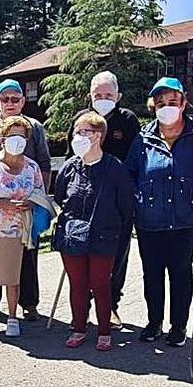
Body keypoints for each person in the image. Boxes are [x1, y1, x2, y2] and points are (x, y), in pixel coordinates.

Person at [125, 77, 193, 346]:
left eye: (173, 102)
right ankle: (154, 322)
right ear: (153, 106)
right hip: (149, 221)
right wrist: (137, 201)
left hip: (184, 221)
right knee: (152, 274)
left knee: (180, 273)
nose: (167, 107)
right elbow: (129, 174)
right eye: (161, 103)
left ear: (183, 103)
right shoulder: (143, 138)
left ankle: (178, 327)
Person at [65, 71, 141, 329]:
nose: (103, 98)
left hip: (116, 200)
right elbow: (69, 158)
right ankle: (82, 308)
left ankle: (111, 306)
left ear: (118, 96)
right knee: (81, 252)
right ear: (90, 95)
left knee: (115, 255)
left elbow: (135, 160)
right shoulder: (80, 120)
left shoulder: (128, 120)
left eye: (108, 95)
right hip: (84, 199)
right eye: (98, 95)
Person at [52, 112, 133, 351]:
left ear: (98, 136)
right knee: (77, 284)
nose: (78, 136)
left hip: (103, 236)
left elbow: (125, 205)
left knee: (100, 284)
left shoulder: (115, 168)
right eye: (76, 131)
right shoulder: (68, 167)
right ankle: (79, 328)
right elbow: (60, 197)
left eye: (84, 131)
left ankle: (104, 331)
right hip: (72, 236)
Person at [0, 79, 51, 319]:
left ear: (22, 101)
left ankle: (29, 304)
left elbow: (45, 163)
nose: (10, 103)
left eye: (15, 99)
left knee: (27, 256)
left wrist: (39, 199)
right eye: (5, 98)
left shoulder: (35, 127)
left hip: (24, 208)